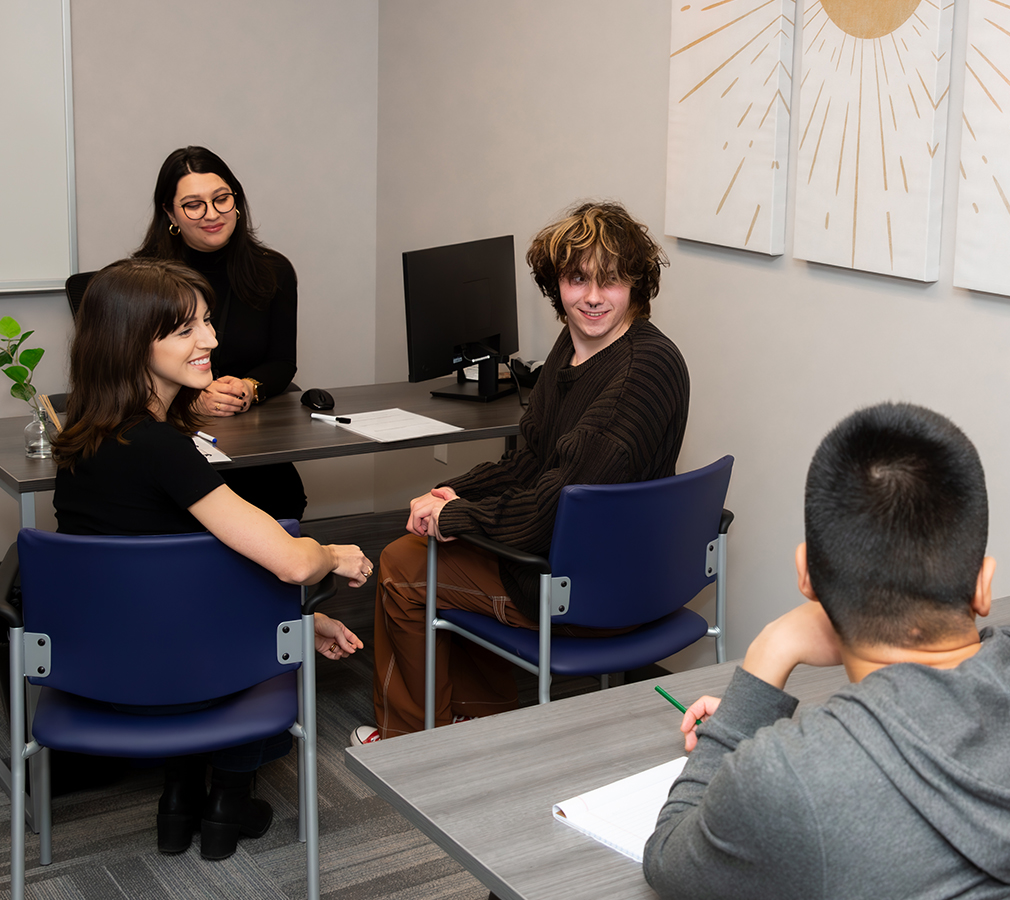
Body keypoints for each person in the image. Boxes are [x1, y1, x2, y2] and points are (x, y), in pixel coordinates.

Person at [642, 403, 1010, 900]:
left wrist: (771, 650)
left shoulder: (791, 775)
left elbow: (669, 859)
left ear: (807, 576)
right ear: (984, 585)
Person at [52, 257, 371, 860]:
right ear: (131, 343)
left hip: (103, 664)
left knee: (251, 610)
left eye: (206, 323)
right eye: (187, 330)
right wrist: (329, 556)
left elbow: (178, 568)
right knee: (277, 615)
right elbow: (292, 565)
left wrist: (305, 618)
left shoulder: (82, 436)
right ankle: (226, 800)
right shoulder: (161, 449)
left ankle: (178, 798)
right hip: (179, 671)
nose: (212, 340)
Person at [351, 200, 688, 743]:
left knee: (403, 562)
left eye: (612, 281)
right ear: (556, 285)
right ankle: (477, 723)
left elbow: (548, 511)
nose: (594, 297)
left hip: (594, 588)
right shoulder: (576, 347)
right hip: (611, 561)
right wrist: (455, 490)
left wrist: (455, 515)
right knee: (455, 541)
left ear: (637, 286)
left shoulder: (637, 376)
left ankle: (408, 745)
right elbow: (530, 458)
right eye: (579, 280)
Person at [132, 145, 305, 521]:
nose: (212, 214)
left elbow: (281, 362)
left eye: (221, 199)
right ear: (169, 212)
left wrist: (247, 388)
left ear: (237, 201)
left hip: (247, 439)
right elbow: (122, 375)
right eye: (193, 204)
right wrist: (190, 401)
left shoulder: (272, 271)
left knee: (279, 501)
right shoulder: (142, 281)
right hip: (168, 441)